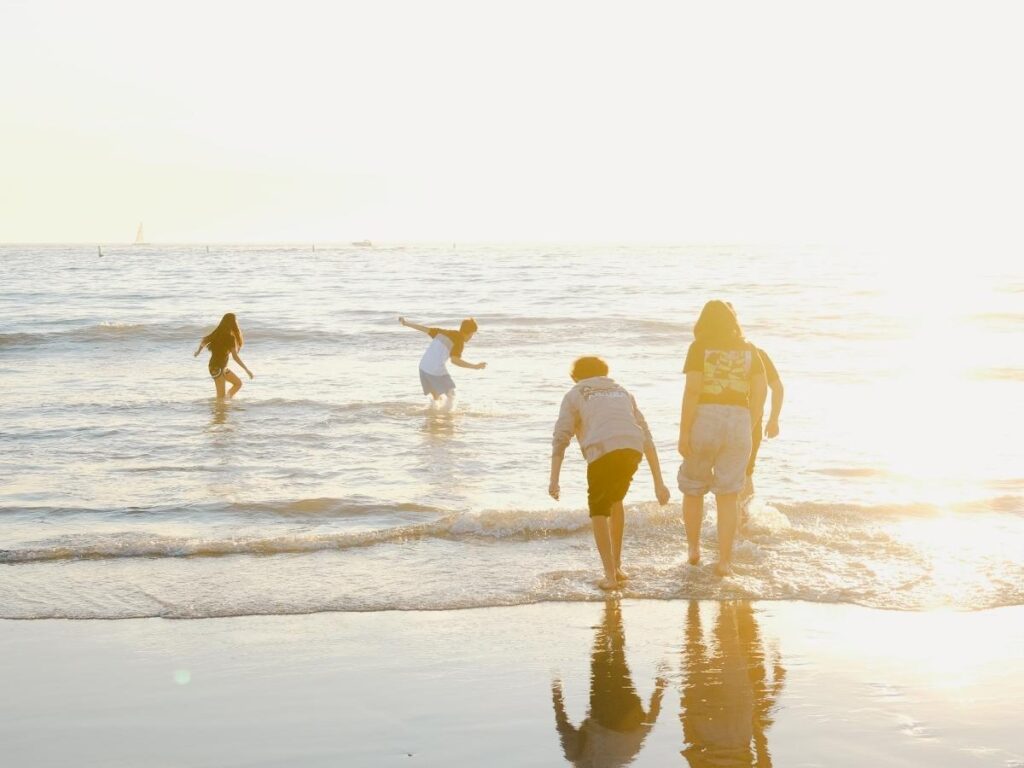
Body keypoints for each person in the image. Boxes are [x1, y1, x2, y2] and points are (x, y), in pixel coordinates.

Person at [550, 356, 671, 590]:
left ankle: (610, 577)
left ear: (575, 376)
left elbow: (560, 437)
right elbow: (646, 436)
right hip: (632, 449)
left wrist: (554, 480)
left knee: (598, 510)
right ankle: (617, 566)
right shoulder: (622, 392)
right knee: (616, 500)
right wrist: (659, 483)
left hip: (603, 449)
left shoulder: (574, 394)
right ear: (605, 373)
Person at [677, 301, 765, 576]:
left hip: (706, 415)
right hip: (739, 418)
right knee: (729, 493)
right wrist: (748, 423)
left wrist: (684, 431)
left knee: (693, 486)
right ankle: (725, 561)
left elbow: (692, 390)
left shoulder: (699, 348)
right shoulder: (750, 350)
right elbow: (761, 393)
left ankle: (694, 551)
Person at [551, 600, 667, 767]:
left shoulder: (621, 761)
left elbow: (648, 725)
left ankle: (613, 613)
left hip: (634, 720)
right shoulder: (581, 761)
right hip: (610, 721)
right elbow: (562, 722)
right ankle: (608, 614)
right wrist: (556, 685)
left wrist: (660, 687)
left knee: (619, 661)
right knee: (599, 661)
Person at [398, 316, 486, 410]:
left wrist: (406, 323)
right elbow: (455, 360)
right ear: (470, 333)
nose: (471, 337)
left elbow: (424, 329)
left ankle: (433, 416)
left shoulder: (445, 332)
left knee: (436, 397)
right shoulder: (459, 341)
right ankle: (447, 417)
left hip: (423, 367)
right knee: (451, 395)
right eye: (472, 334)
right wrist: (475, 366)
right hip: (435, 369)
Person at [741, 346, 784, 505]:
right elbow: (778, 388)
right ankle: (744, 521)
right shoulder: (757, 353)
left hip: (722, 421)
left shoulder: (716, 351)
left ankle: (734, 520)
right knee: (746, 472)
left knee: (728, 473)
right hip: (754, 422)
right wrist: (773, 420)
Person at [193, 312, 253, 399]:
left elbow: (203, 342)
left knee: (238, 383)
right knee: (220, 397)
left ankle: (227, 400)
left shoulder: (216, 333)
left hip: (220, 367)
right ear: (233, 324)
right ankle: (220, 409)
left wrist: (198, 352)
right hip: (217, 368)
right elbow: (235, 357)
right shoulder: (230, 338)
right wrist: (246, 370)